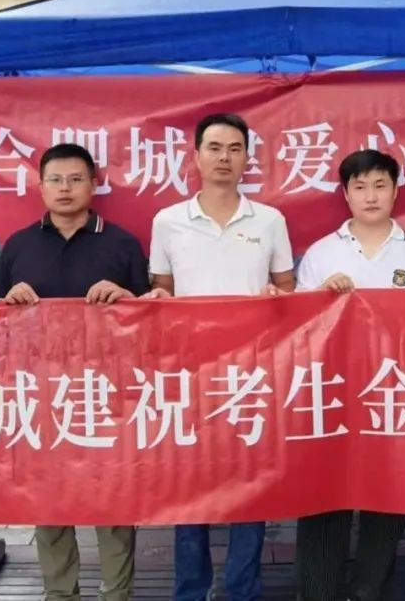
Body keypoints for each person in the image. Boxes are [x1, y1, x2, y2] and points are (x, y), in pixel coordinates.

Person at [0, 143, 148, 601]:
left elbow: (150, 317)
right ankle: (60, 593)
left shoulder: (121, 242)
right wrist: (10, 301)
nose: (65, 188)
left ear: (93, 185)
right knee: (50, 501)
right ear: (40, 187)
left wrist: (124, 297)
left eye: (76, 179)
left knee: (114, 501)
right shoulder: (18, 245)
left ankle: (117, 593)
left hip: (108, 391)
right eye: (55, 180)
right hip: (40, 391)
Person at [147, 113, 295, 601]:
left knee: (251, 489)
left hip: (253, 373)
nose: (224, 158)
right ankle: (191, 590)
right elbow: (162, 292)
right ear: (195, 156)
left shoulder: (269, 220)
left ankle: (242, 588)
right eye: (214, 148)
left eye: (235, 148)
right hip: (188, 375)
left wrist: (277, 297)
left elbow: (287, 289)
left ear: (248, 157)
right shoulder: (168, 221)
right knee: (190, 491)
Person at [293, 149, 405, 601]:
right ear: (345, 194)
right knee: (324, 500)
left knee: (387, 502)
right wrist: (323, 297)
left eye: (380, 185)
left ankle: (368, 591)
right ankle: (317, 593)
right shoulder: (322, 254)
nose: (371, 195)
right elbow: (298, 328)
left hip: (396, 396)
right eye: (360, 187)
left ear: (396, 191)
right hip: (334, 393)